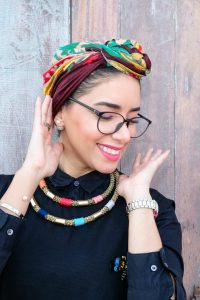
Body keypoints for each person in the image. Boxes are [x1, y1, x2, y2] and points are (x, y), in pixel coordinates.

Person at [0, 39, 186, 299]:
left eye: (132, 120)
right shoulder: (6, 194)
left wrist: (139, 204)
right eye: (106, 116)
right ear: (59, 113)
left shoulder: (154, 210)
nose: (124, 136)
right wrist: (30, 172)